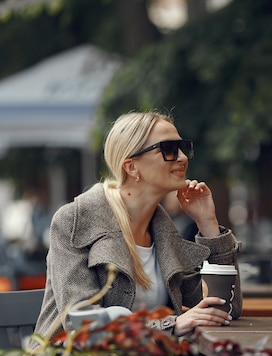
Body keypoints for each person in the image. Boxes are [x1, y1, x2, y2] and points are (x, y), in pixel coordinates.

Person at [34, 111, 242, 342]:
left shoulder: (164, 231)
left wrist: (208, 224)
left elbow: (227, 309)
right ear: (131, 167)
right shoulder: (74, 221)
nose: (183, 157)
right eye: (169, 149)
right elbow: (82, 325)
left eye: (183, 148)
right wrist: (171, 325)